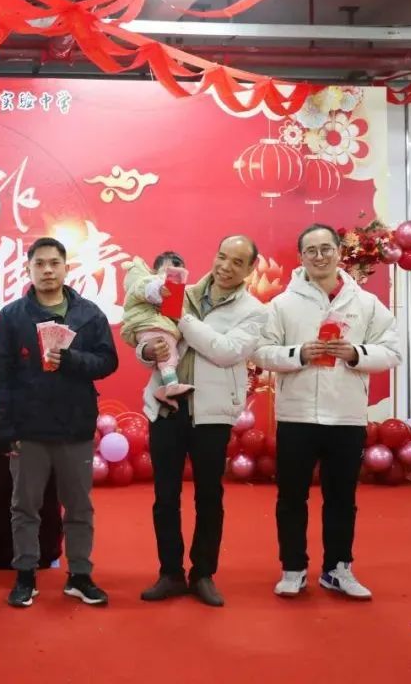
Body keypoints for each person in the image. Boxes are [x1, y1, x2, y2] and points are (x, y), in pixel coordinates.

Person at [254, 224, 401, 600]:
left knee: (341, 499)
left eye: (325, 249)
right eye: (311, 251)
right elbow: (260, 351)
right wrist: (298, 353)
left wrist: (356, 353)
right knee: (291, 497)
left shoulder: (366, 303)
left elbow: (392, 351)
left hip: (346, 416)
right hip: (297, 416)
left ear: (338, 252)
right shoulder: (283, 304)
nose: (319, 257)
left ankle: (338, 569)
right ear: (301, 257)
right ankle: (293, 568)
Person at [134, 235, 266, 607]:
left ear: (249, 269)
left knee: (209, 497)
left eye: (237, 262)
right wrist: (147, 350)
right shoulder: (181, 291)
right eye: (222, 256)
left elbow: (225, 352)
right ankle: (170, 573)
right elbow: (147, 334)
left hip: (212, 415)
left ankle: (203, 574)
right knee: (165, 497)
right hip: (166, 408)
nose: (225, 267)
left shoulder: (254, 311)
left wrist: (183, 318)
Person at [0, 237, 118, 609]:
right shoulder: (12, 316)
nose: (47, 270)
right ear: (29, 269)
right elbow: (1, 376)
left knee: (79, 508)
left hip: (75, 428)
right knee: (24, 508)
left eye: (54, 263)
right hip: (28, 430)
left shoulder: (89, 314)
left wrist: (72, 359)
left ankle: (80, 575)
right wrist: (4, 429)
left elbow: (108, 361)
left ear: (65, 267)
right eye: (39, 264)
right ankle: (25, 575)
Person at [121, 251, 194, 404]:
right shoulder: (149, 281)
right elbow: (146, 288)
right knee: (167, 351)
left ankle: (167, 390)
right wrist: (160, 288)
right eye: (168, 270)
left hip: (164, 331)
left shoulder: (187, 296)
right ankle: (171, 386)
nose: (171, 277)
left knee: (169, 353)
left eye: (178, 272)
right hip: (153, 327)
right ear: (154, 271)